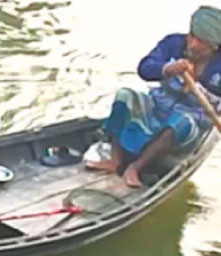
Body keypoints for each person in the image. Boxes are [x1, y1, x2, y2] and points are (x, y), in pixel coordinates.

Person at [87, 6, 221, 187]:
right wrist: (166, 69)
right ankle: (116, 160)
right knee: (125, 95)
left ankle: (135, 167)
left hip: (190, 124)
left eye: (201, 42)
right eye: (192, 36)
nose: (193, 44)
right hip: (157, 109)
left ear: (214, 46)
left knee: (182, 121)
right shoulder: (173, 44)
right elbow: (144, 67)